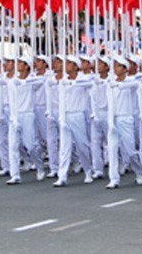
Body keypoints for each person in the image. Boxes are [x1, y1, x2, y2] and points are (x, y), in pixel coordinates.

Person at [53, 56, 94, 187]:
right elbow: (61, 100)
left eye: (70, 63)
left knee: (82, 146)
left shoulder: (83, 79)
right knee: (64, 148)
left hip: (78, 115)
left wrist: (72, 83)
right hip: (65, 115)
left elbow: (90, 84)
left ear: (76, 66)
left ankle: (88, 170)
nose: (67, 66)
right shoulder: (63, 81)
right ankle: (62, 176)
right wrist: (61, 117)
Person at [105, 55, 142, 189]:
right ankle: (114, 178)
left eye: (118, 66)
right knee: (112, 149)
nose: (115, 68)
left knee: (130, 150)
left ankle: (139, 172)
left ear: (124, 69)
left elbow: (136, 84)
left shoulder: (131, 81)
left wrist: (120, 85)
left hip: (126, 118)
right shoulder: (110, 83)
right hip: (112, 118)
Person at [5, 56, 46, 184]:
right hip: (15, 115)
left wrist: (24, 82)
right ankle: (15, 174)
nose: (19, 65)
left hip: (28, 114)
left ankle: (39, 166)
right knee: (12, 146)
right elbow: (11, 101)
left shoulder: (33, 80)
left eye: (22, 63)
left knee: (31, 146)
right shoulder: (12, 82)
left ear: (27, 66)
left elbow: (41, 81)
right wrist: (13, 118)